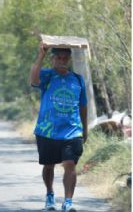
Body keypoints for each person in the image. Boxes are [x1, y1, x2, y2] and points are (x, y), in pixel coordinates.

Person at [30, 42, 88, 212]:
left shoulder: (77, 79)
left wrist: (84, 129)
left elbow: (83, 105)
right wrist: (40, 55)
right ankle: (50, 195)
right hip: (47, 130)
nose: (62, 61)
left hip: (72, 130)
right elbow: (33, 80)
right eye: (58, 58)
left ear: (69, 59)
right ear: (53, 59)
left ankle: (68, 202)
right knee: (48, 165)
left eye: (65, 58)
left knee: (70, 164)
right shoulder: (47, 75)